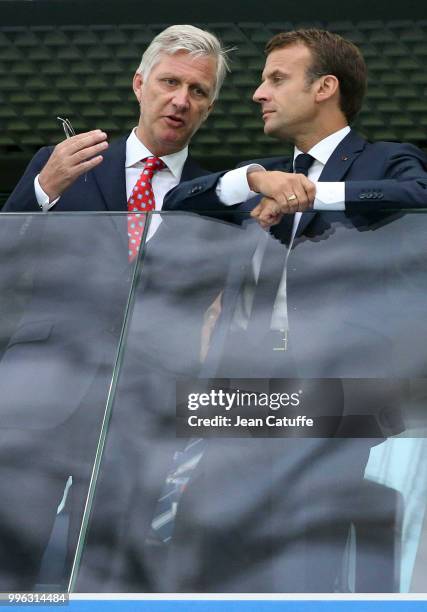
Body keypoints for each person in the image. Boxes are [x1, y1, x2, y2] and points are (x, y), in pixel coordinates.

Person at [159, 29, 427, 592]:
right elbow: (178, 200)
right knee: (201, 554)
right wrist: (254, 179)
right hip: (241, 395)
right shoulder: (262, 177)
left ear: (326, 88)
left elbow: (417, 196)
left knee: (301, 567)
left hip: (336, 397)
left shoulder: (386, 161)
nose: (259, 93)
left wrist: (311, 194)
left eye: (277, 79)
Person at [0, 24, 231, 590]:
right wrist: (40, 192)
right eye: (170, 81)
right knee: (7, 561)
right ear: (139, 84)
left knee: (105, 577)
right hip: (41, 396)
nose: (181, 99)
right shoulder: (67, 162)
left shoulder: (215, 199)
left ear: (209, 107)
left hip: (140, 414)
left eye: (198, 91)